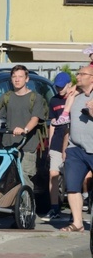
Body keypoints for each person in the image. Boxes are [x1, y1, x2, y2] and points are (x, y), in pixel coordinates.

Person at [0, 64, 48, 192]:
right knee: (8, 178)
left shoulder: (35, 98)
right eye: (14, 77)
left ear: (27, 79)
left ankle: (28, 207)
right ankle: (9, 206)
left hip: (27, 146)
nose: (17, 79)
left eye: (20, 76)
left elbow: (35, 119)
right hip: (8, 145)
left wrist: (24, 130)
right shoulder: (6, 97)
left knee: (25, 178)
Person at [57, 65, 93, 233]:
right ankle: (78, 223)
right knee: (72, 186)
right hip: (76, 148)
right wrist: (66, 147)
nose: (78, 76)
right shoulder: (75, 95)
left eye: (82, 74)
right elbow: (67, 123)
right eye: (78, 73)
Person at [41, 72, 72, 222]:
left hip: (73, 141)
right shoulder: (54, 100)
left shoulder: (75, 99)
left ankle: (74, 209)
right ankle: (54, 208)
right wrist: (50, 144)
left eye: (62, 87)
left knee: (70, 177)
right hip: (57, 141)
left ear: (69, 84)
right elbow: (52, 124)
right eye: (57, 87)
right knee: (53, 174)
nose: (59, 89)